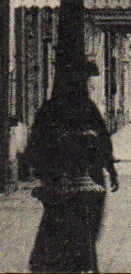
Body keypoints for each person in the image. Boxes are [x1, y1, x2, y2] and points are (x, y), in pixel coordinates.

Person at [24, 60, 118, 274]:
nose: (83, 85)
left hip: (64, 180)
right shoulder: (85, 108)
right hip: (78, 181)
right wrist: (110, 170)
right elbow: (103, 141)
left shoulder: (52, 108)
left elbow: (34, 147)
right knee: (79, 231)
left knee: (63, 230)